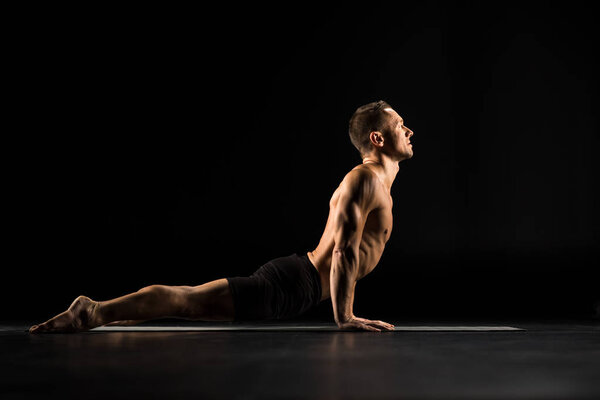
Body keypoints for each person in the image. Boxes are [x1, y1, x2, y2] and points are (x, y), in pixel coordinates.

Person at [29, 100, 414, 333]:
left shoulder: (377, 183)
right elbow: (344, 252)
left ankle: (104, 315)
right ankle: (90, 310)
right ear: (377, 139)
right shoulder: (363, 181)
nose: (409, 130)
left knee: (190, 304)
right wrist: (345, 317)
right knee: (188, 302)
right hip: (295, 286)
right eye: (399, 125)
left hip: (300, 284)